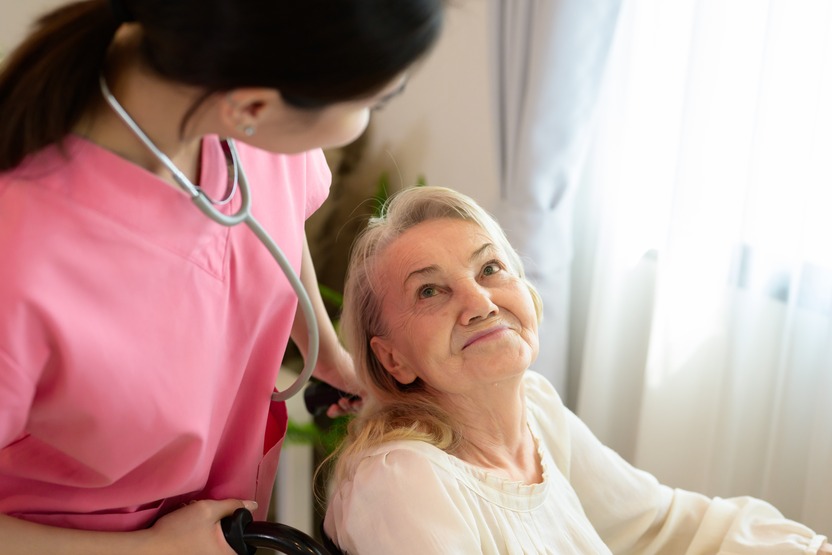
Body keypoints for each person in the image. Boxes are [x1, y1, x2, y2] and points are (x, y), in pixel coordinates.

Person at [0, 0, 444, 552]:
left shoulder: (246, 114)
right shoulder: (19, 258)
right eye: (374, 101)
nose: (370, 118)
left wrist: (324, 350)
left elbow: (271, 220)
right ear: (252, 106)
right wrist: (147, 551)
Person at [323, 185, 831, 554]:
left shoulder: (536, 411)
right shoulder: (403, 481)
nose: (480, 303)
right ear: (392, 359)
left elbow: (659, 524)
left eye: (490, 268)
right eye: (429, 291)